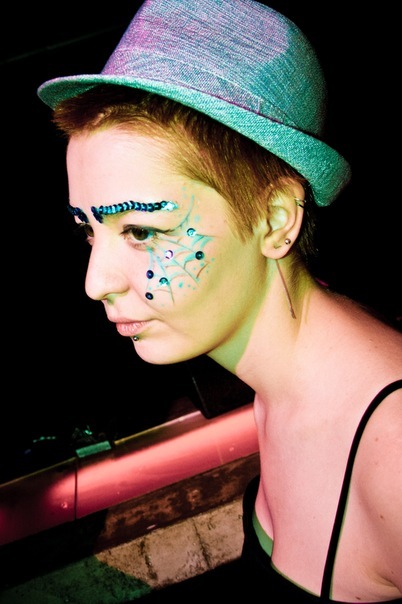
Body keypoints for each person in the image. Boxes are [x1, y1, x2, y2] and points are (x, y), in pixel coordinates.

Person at [37, 0, 402, 601]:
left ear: (275, 218)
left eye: (142, 230)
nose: (95, 282)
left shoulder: (394, 457)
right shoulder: (279, 378)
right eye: (89, 230)